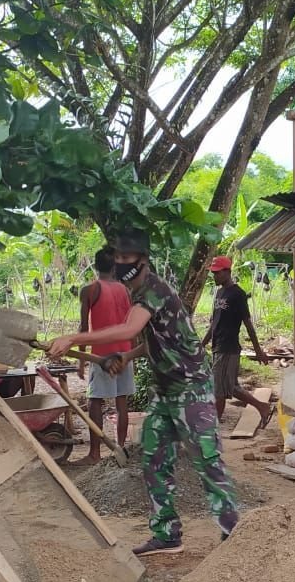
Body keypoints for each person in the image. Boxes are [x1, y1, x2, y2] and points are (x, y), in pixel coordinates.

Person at [48, 229, 239, 556]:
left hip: (190, 386)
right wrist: (126, 357)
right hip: (165, 391)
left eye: (127, 258)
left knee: (207, 460)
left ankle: (233, 535)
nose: (122, 263)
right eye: (118, 258)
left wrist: (73, 338)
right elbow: (155, 338)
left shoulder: (154, 289)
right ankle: (166, 534)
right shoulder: (138, 293)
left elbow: (130, 329)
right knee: (154, 459)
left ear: (143, 260)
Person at [200, 255, 273, 426]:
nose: (214, 276)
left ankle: (214, 425)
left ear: (227, 272)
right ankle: (262, 406)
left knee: (220, 389)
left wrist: (258, 350)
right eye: (213, 273)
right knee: (229, 387)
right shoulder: (219, 293)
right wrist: (202, 344)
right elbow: (214, 323)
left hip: (228, 347)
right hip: (218, 346)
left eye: (217, 273)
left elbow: (248, 325)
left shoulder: (238, 294)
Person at [77, 249, 134, 461]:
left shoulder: (90, 290)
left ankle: (95, 453)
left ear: (95, 265)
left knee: (94, 400)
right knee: (121, 402)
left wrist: (81, 361)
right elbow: (133, 324)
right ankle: (120, 449)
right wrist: (132, 354)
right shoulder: (126, 290)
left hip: (101, 355)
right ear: (115, 268)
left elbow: (84, 328)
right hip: (124, 351)